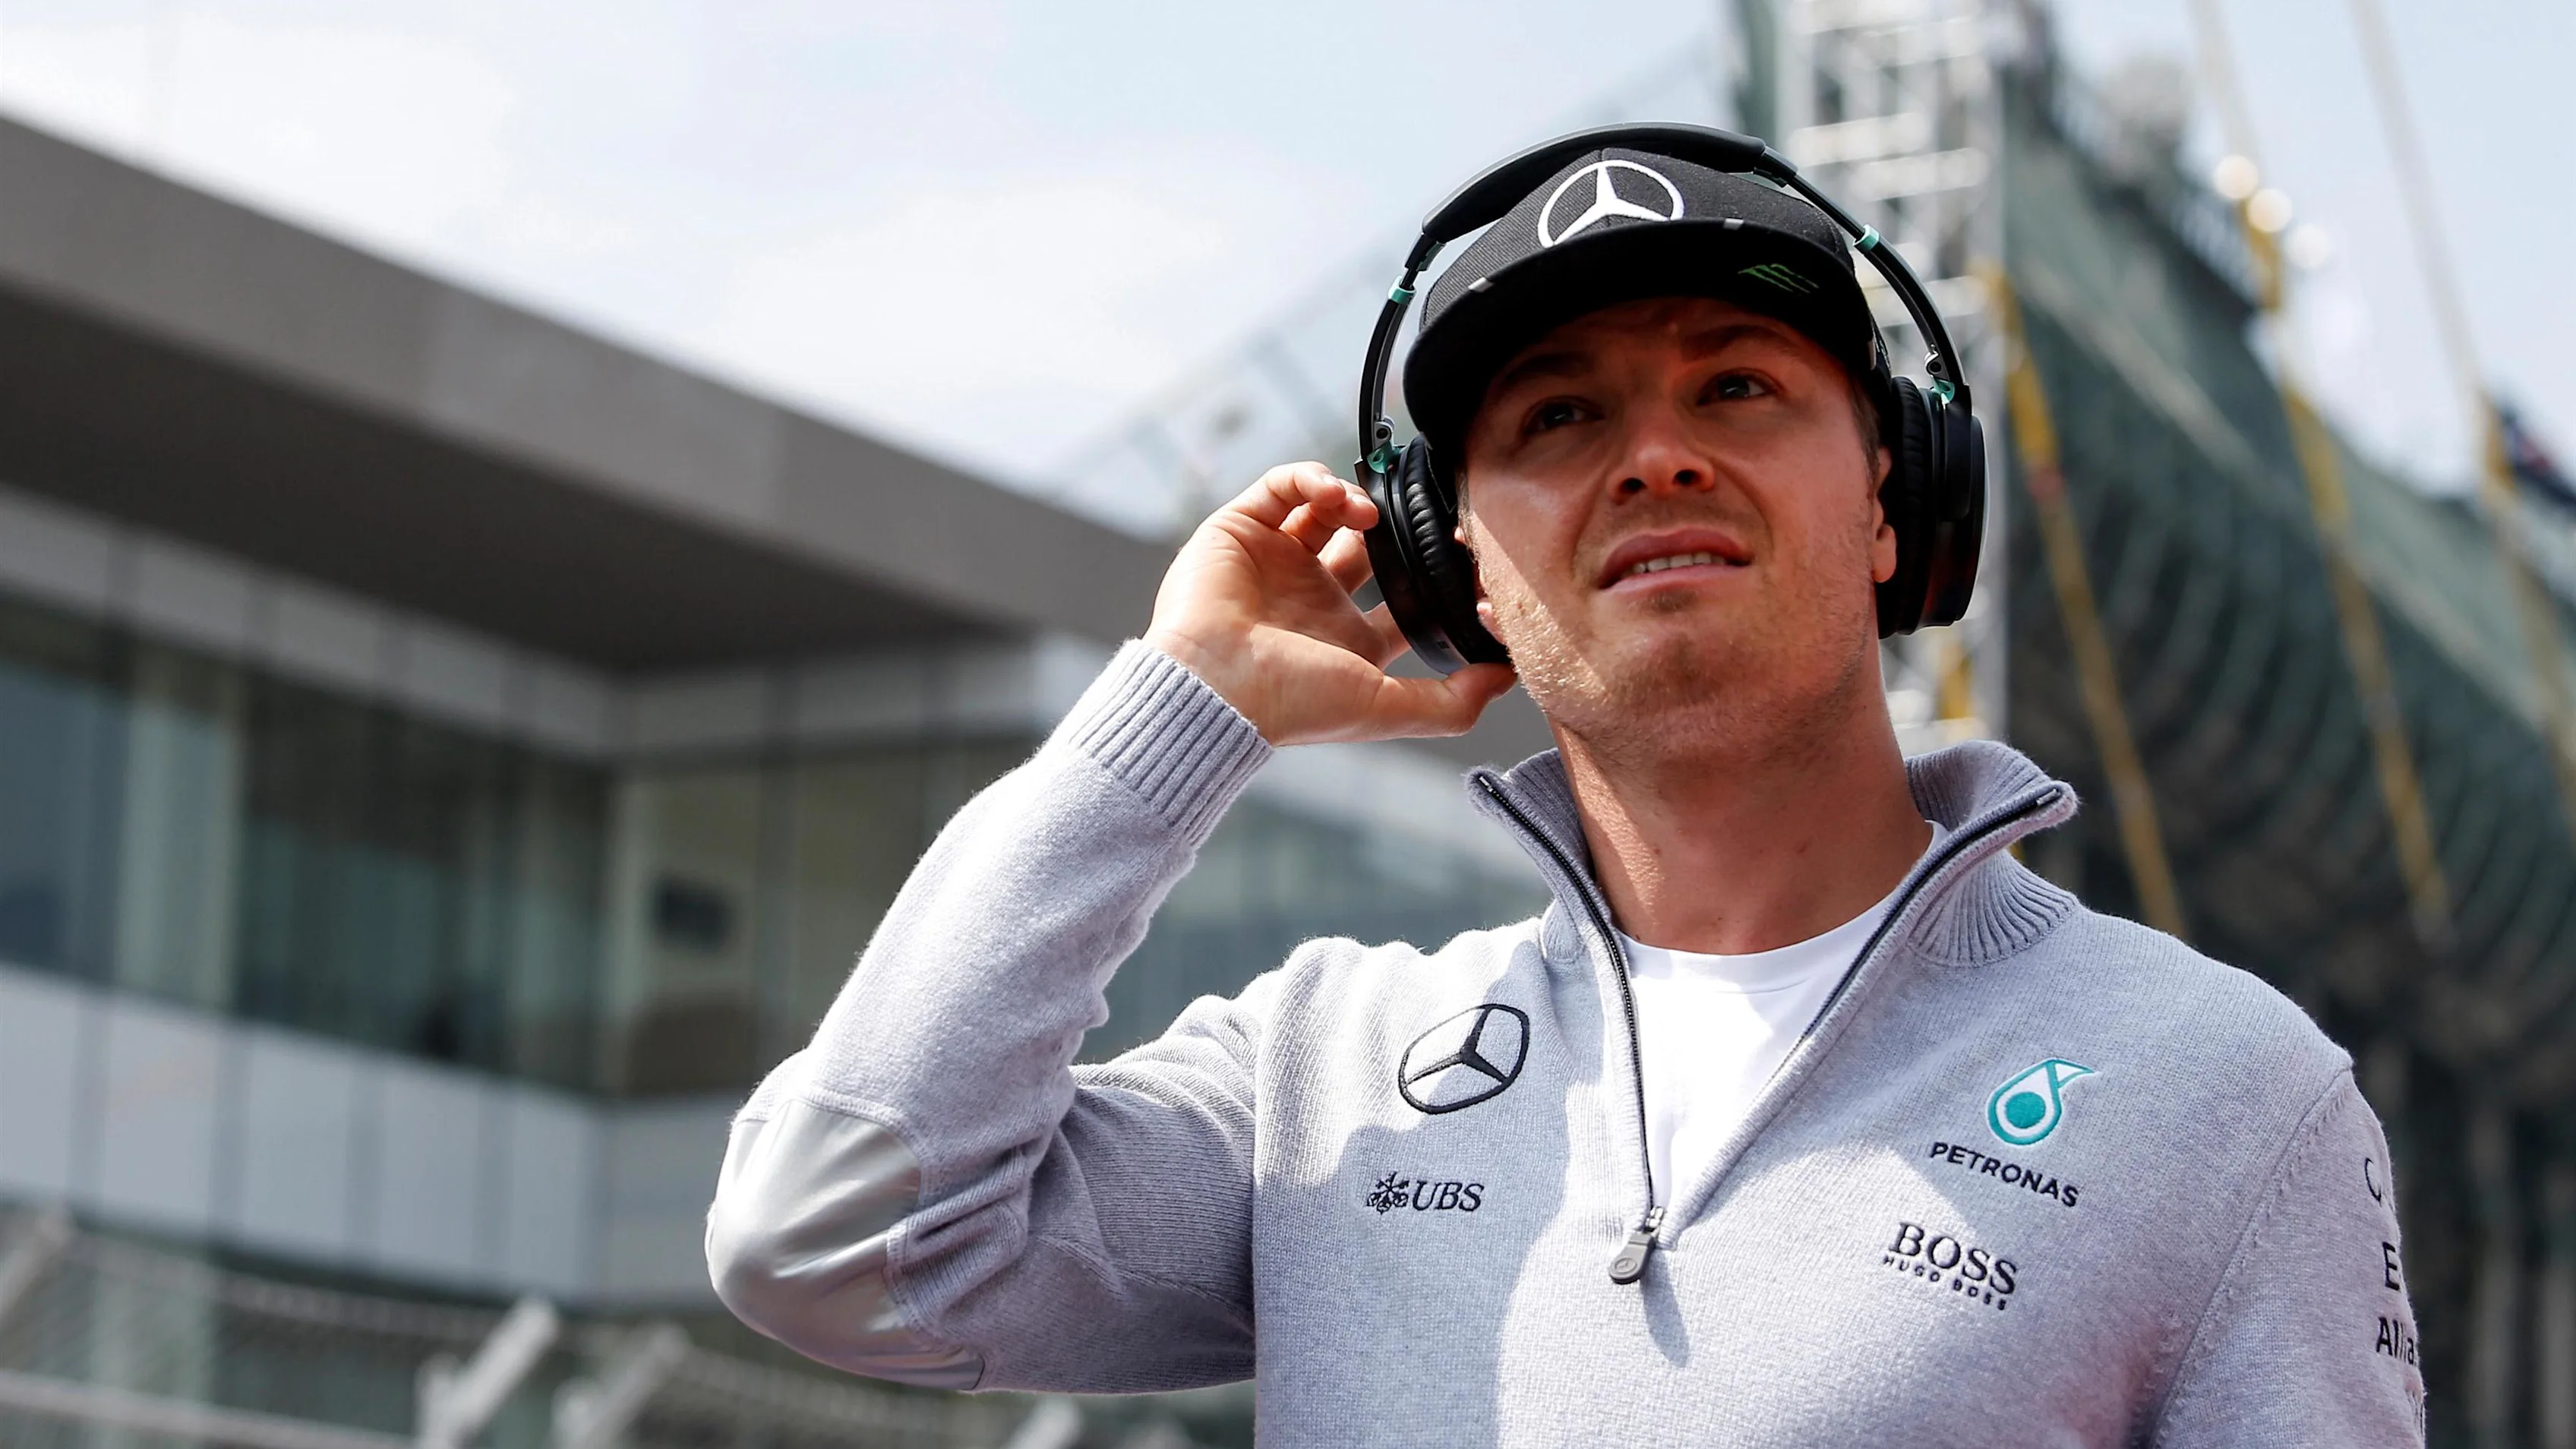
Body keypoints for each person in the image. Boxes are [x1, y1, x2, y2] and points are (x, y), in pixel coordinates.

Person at [705, 138, 2424, 1446]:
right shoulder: (1318, 1078)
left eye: (1735, 385)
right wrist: (1177, 718)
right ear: (1465, 581)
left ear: (1899, 506)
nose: (1653, 453)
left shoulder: (2227, 1096)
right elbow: (831, 1242)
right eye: (1556, 417)